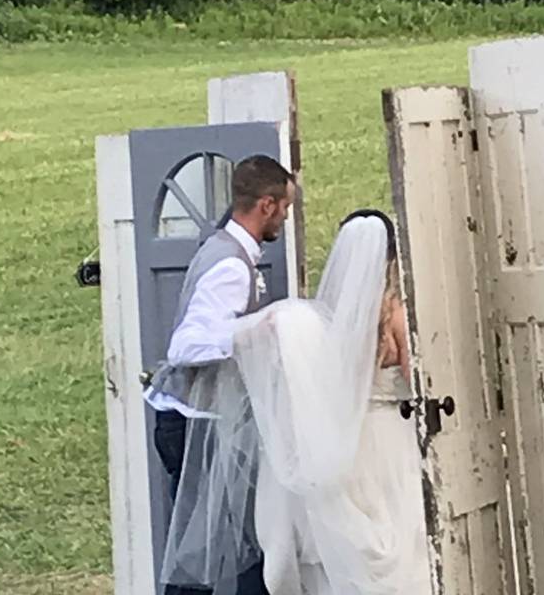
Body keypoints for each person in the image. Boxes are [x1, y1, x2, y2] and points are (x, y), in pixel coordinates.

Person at [169, 209, 431, 594]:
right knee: (405, 531)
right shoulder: (396, 316)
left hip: (353, 437)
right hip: (392, 437)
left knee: (360, 538)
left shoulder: (333, 318)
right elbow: (419, 382)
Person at [144, 154, 296, 595]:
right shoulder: (231, 265)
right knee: (200, 555)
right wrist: (255, 331)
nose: (284, 218)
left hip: (199, 421)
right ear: (266, 205)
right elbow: (185, 346)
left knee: (221, 547)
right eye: (284, 208)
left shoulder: (224, 249)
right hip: (195, 426)